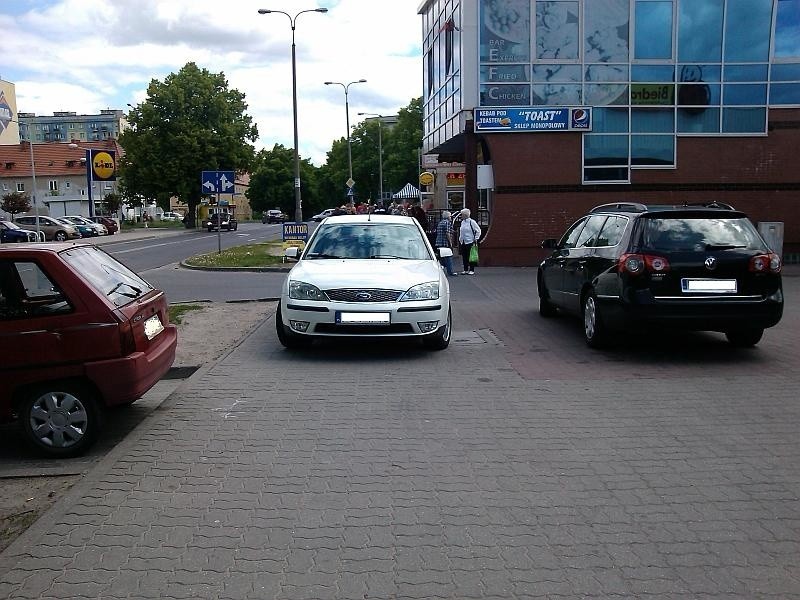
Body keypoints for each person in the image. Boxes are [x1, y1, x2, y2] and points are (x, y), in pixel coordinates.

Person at [458, 208, 482, 275]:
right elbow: (461, 232)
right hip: (463, 241)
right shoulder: (462, 222)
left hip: (470, 241)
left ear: (465, 215)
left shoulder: (472, 222)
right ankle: (465, 269)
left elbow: (478, 231)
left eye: (462, 214)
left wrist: (476, 238)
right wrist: (460, 239)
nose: (461, 216)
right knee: (464, 256)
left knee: (471, 256)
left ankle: (471, 269)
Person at [435, 210, 457, 276]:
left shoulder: (440, 222)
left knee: (441, 257)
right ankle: (450, 272)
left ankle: (441, 269)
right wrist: (450, 243)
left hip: (439, 242)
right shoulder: (447, 222)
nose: (451, 218)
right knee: (448, 257)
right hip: (444, 242)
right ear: (448, 217)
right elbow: (447, 233)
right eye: (450, 216)